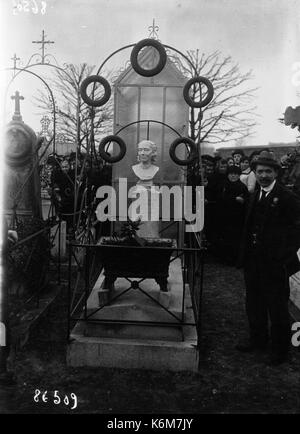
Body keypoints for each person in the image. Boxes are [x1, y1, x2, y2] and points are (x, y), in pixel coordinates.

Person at [236, 150, 300, 365]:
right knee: (254, 302)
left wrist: (284, 257)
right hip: (254, 262)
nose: (263, 175)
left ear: (276, 173)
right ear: (255, 172)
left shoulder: (287, 198)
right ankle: (258, 340)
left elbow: (296, 231)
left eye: (268, 172)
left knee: (277, 306)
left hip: (275, 264)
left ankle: (279, 350)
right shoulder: (255, 194)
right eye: (260, 171)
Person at [214, 165, 248, 264]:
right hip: (223, 217)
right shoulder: (223, 185)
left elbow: (245, 200)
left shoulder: (242, 186)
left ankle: (233, 258)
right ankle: (223, 258)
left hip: (236, 218)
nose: (233, 176)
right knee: (223, 237)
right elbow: (219, 198)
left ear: (239, 175)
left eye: (236, 174)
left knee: (235, 238)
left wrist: (241, 200)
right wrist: (234, 199)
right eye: (231, 174)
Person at [131, 140, 160, 238]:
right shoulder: (134, 169)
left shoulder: (156, 170)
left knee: (150, 227)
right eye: (140, 150)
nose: (142, 153)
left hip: (152, 198)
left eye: (146, 150)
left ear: (153, 152)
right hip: (138, 198)